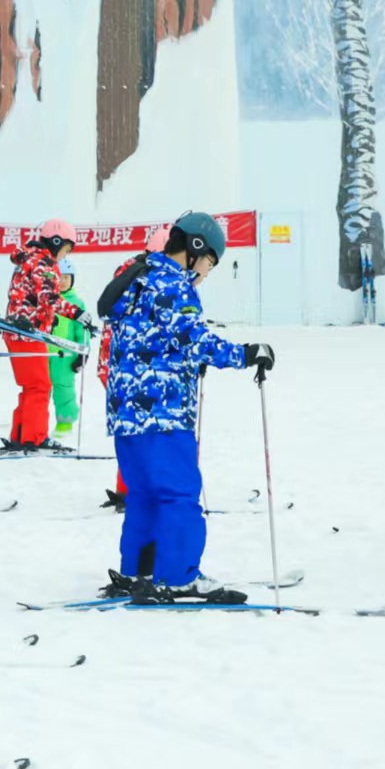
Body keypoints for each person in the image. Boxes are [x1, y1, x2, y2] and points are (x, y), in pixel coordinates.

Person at [101, 212, 275, 603]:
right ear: (196, 248)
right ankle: (178, 575)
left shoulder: (138, 279)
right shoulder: (172, 284)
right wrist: (245, 354)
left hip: (126, 413)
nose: (208, 270)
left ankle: (138, 571)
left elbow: (152, 339)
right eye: (211, 260)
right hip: (162, 411)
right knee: (179, 494)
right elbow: (193, 337)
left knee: (144, 495)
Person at [98, 227, 169, 510]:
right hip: (132, 366)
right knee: (147, 429)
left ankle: (128, 488)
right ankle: (140, 491)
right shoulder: (150, 278)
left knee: (132, 428)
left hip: (114, 363)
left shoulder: (128, 271)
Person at [3, 219, 85, 453]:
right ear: (56, 242)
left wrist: (49, 318)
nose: (64, 255)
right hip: (28, 333)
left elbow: (31, 297)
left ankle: (21, 435)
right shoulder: (43, 262)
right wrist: (77, 313)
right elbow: (49, 297)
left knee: (31, 386)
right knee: (40, 386)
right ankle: (34, 438)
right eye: (66, 249)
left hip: (19, 330)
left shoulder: (28, 258)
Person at [49, 269, 89, 438]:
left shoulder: (77, 304)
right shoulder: (45, 300)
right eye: (59, 277)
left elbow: (83, 330)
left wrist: (83, 352)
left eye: (66, 278)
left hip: (65, 356)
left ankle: (64, 423)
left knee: (64, 388)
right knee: (40, 389)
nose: (63, 281)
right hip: (43, 352)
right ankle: (37, 426)